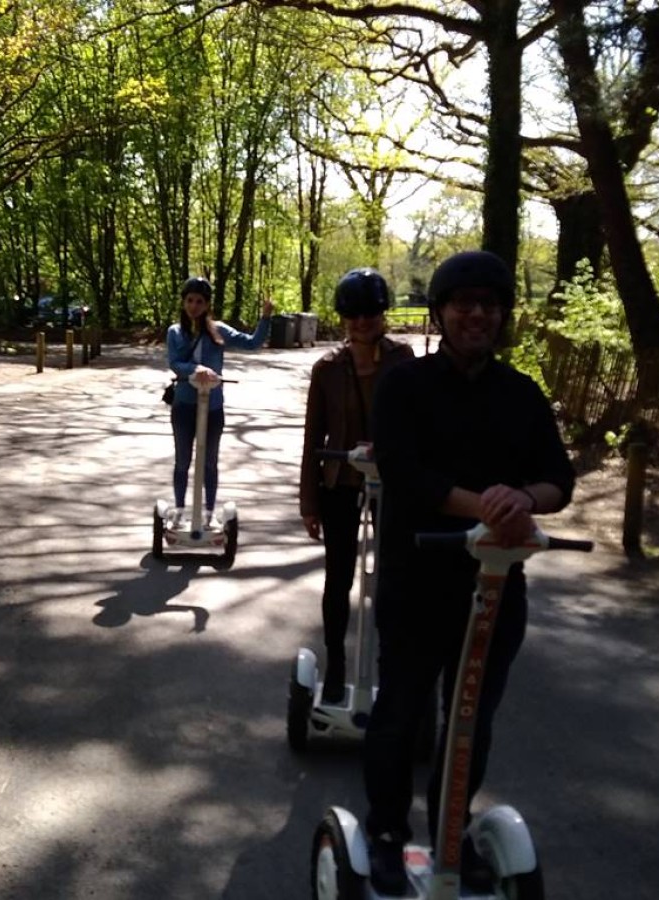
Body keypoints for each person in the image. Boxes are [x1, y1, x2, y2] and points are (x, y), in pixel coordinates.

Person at [362, 250, 577, 896]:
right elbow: (405, 473)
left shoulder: (523, 394)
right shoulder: (405, 386)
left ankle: (451, 832)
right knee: (401, 711)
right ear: (441, 313)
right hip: (417, 581)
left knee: (471, 719)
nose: (477, 314)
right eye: (464, 303)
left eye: (489, 304)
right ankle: (387, 833)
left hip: (494, 591)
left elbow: (558, 479)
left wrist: (525, 500)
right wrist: (485, 505)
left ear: (502, 315)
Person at [298, 268, 414, 703]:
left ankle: (387, 664)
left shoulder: (403, 360)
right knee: (339, 575)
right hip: (340, 480)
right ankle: (336, 663)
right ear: (344, 318)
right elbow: (313, 437)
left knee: (390, 575)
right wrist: (309, 502)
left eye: (371, 312)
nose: (363, 321)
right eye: (354, 314)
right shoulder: (327, 369)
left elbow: (418, 424)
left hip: (394, 483)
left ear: (383, 313)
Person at [166, 276, 272, 528]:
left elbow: (253, 343)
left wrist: (265, 317)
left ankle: (208, 513)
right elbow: (175, 363)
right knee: (183, 460)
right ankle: (180, 510)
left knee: (209, 461)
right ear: (183, 302)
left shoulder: (219, 330)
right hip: (184, 406)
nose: (193, 306)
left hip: (212, 408)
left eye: (199, 301)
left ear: (207, 305)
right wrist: (196, 368)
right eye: (189, 300)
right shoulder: (175, 332)